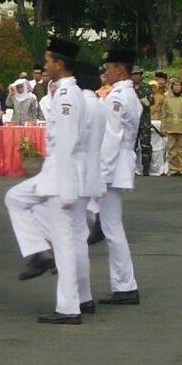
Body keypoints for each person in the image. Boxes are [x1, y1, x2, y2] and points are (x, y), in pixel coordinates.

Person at [5, 36, 87, 324]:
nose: (45, 65)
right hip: (55, 173)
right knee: (14, 198)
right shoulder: (64, 93)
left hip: (61, 176)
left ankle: (69, 307)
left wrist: (65, 187)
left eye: (49, 60)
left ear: (60, 64)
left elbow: (65, 142)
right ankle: (39, 252)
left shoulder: (67, 96)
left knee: (64, 242)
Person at [95, 48, 141, 306]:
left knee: (112, 228)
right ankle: (125, 285)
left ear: (120, 70)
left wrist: (100, 175)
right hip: (117, 164)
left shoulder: (118, 97)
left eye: (109, 68)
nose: (106, 72)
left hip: (111, 167)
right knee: (111, 226)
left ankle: (125, 286)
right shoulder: (127, 94)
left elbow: (111, 140)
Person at [72, 60, 107, 312]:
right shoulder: (97, 102)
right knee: (78, 237)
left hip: (77, 170)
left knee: (72, 237)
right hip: (92, 169)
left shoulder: (81, 103)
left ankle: (81, 296)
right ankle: (84, 296)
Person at [161, 78, 182, 176]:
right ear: (172, 87)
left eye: (179, 85)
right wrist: (163, 127)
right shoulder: (167, 98)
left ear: (181, 87)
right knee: (171, 149)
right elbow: (164, 114)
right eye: (175, 85)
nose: (177, 87)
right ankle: (173, 169)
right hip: (171, 125)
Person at [131, 66, 153, 176]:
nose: (136, 76)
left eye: (138, 74)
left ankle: (146, 169)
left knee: (146, 146)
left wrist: (136, 100)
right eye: (134, 74)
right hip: (132, 122)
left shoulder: (146, 87)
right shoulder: (128, 88)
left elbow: (149, 102)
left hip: (144, 121)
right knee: (131, 147)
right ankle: (131, 169)